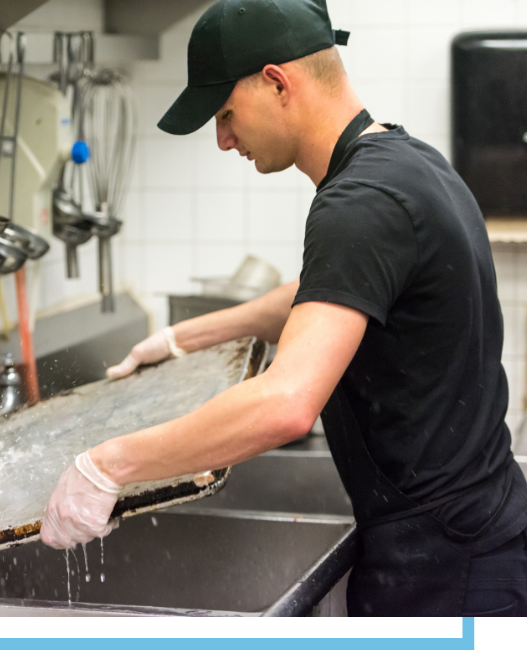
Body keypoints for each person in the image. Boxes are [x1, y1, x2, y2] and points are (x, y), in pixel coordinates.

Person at [40, 0, 527, 616]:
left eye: (224, 113)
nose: (222, 140)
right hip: (474, 536)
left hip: (444, 573)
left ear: (276, 82)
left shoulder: (358, 202)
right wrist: (183, 338)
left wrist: (107, 465)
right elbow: (325, 294)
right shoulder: (407, 163)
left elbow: (286, 406)